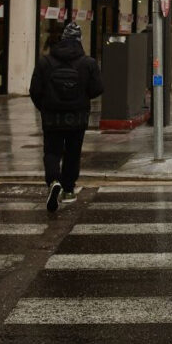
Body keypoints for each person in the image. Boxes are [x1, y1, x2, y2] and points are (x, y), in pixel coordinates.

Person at [28, 22, 104, 212]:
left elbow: (35, 90)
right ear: (79, 40)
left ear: (62, 39)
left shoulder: (45, 62)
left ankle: (54, 180)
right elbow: (97, 89)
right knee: (72, 153)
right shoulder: (88, 63)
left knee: (52, 151)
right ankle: (69, 189)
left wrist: (44, 108)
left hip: (52, 117)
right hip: (77, 117)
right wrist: (82, 96)